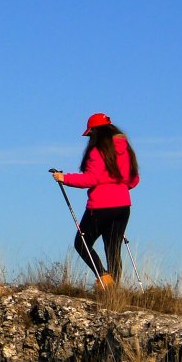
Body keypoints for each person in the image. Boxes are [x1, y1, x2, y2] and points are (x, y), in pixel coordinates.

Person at [51, 113, 140, 287]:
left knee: (82, 243)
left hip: (100, 206)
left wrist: (64, 178)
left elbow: (91, 179)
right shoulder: (126, 149)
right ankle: (113, 291)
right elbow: (134, 179)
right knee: (113, 249)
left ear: (95, 131)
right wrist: (119, 188)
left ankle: (103, 279)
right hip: (123, 206)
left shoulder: (98, 150)